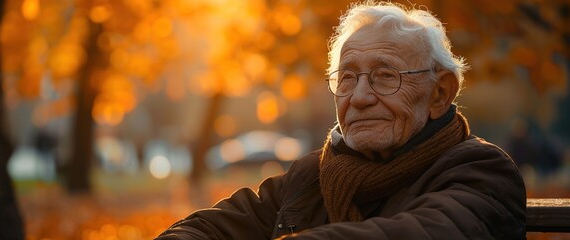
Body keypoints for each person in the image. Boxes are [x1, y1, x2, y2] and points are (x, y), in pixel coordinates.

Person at [156, 1, 526, 239]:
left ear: (439, 94)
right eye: (347, 78)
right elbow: (210, 227)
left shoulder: (481, 171)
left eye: (385, 76)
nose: (360, 97)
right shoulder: (313, 176)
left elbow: (426, 233)